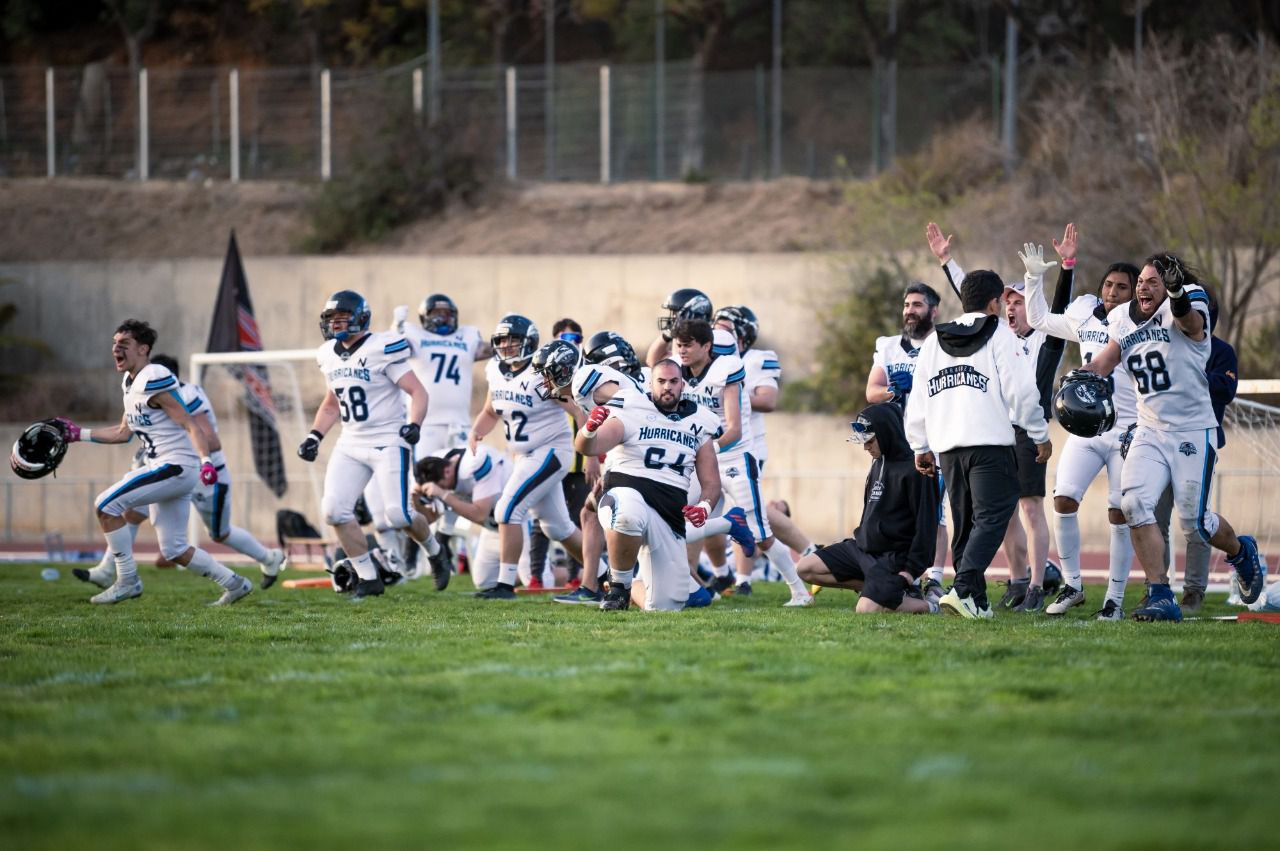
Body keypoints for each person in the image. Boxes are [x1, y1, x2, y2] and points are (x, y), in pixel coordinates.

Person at [1081, 253, 1265, 621]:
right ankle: (1160, 593)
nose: (1143, 286)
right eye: (1141, 281)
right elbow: (1106, 359)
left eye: (1153, 280)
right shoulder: (1122, 318)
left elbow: (1191, 323)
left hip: (1193, 429)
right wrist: (1083, 376)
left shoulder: (1188, 300)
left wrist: (1178, 292)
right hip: (1149, 427)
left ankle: (1242, 552)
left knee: (1194, 523)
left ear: (1169, 285)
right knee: (1132, 504)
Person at [534, 336, 753, 606]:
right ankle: (611, 585)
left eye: (547, 375)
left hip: (654, 465)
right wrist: (595, 438)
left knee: (621, 521)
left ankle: (609, 584)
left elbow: (628, 410)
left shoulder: (593, 383)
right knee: (614, 512)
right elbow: (609, 428)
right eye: (662, 382)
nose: (544, 382)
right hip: (631, 464)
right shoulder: (637, 387)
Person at [55, 319, 253, 605]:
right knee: (174, 549)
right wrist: (78, 434)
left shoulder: (155, 375)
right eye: (114, 344)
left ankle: (127, 580)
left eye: (123, 344)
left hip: (175, 466)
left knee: (105, 505)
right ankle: (235, 583)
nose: (115, 349)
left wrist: (206, 460)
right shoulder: (129, 382)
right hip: (166, 467)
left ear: (143, 349)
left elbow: (190, 424)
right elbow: (123, 434)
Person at [926, 222, 1069, 613]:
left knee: (1025, 508)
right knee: (993, 515)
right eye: (1005, 301)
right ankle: (1001, 582)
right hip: (997, 432)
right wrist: (947, 263)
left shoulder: (1040, 336)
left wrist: (1062, 269)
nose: (1009, 306)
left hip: (1014, 431)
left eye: (1018, 300)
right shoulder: (994, 334)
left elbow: (1043, 309)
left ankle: (1035, 583)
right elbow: (974, 302)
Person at [905, 269, 1052, 619]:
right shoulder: (1000, 333)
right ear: (994, 302)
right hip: (989, 444)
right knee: (996, 514)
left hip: (948, 449)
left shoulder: (934, 340)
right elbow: (1022, 391)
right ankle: (964, 588)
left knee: (966, 522)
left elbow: (919, 398)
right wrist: (1039, 435)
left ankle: (978, 601)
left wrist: (919, 445)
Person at [72, 354, 287, 591]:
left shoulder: (187, 395)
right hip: (171, 469)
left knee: (219, 533)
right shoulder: (142, 393)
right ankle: (107, 570)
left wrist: (187, 455)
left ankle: (268, 558)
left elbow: (211, 441)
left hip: (205, 476)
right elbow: (131, 432)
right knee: (134, 513)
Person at [1024, 247, 1141, 620]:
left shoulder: (1145, 324)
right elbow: (1038, 318)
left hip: (1129, 429)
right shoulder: (1086, 317)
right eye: (1109, 284)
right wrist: (1033, 277)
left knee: (1119, 513)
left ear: (1136, 291)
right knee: (1063, 499)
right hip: (1089, 430)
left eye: (1122, 287)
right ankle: (1073, 585)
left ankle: (1115, 600)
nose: (1112, 292)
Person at [297, 290, 436, 600]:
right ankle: (368, 577)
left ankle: (434, 550)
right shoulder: (328, 354)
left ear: (360, 317)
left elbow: (418, 392)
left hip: (388, 439)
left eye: (342, 317)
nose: (335, 324)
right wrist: (314, 436)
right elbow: (332, 403)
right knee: (333, 510)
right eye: (331, 319)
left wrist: (414, 425)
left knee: (397, 516)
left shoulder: (381, 346)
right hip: (351, 441)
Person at [671, 318, 812, 606]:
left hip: (733, 456)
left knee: (760, 532)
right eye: (678, 345)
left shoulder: (726, 369)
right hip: (699, 457)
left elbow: (733, 430)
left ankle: (799, 590)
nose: (682, 351)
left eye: (687, 345)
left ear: (707, 346)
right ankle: (692, 585)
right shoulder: (675, 370)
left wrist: (704, 450)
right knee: (676, 518)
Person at [574, 358, 724, 611]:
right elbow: (590, 446)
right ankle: (618, 587)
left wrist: (705, 507)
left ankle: (632, 587)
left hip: (669, 514)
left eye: (673, 381)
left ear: (683, 385)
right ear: (651, 383)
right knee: (627, 514)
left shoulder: (701, 421)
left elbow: (711, 483)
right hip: (626, 494)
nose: (667, 387)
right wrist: (589, 430)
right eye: (661, 381)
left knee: (664, 607)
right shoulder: (632, 405)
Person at [469, 314, 585, 600]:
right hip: (523, 455)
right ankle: (605, 572)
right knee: (557, 527)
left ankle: (505, 584)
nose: (507, 346)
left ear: (529, 342)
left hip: (551, 451)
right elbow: (490, 411)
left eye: (513, 340)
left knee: (507, 510)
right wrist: (476, 432)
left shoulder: (541, 371)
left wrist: (591, 455)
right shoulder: (495, 370)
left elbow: (579, 411)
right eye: (502, 340)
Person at [797, 403, 941, 613]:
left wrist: (910, 572)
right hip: (862, 550)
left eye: (870, 441)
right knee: (805, 568)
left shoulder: (917, 467)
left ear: (887, 433)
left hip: (892, 558)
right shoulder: (877, 461)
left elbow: (927, 527)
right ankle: (878, 590)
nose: (866, 447)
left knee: (865, 610)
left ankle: (932, 607)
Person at [713, 305, 817, 576]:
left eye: (724, 329)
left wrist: (727, 394)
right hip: (714, 445)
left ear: (742, 336)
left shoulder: (757, 359)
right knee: (714, 509)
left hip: (745, 445)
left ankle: (744, 577)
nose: (716, 334)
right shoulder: (706, 361)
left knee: (745, 509)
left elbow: (768, 400)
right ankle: (720, 575)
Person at [864, 281, 950, 592]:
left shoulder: (945, 344)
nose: (909, 311)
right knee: (894, 509)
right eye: (906, 305)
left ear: (933, 310)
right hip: (896, 443)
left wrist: (920, 386)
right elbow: (872, 391)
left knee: (934, 511)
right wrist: (894, 390)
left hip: (934, 437)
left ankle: (936, 577)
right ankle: (901, 573)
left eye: (917, 305)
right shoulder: (888, 345)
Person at [525, 318, 597, 589]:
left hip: (577, 462)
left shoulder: (583, 374)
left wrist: (592, 458)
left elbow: (584, 415)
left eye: (575, 339)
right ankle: (535, 575)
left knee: (578, 516)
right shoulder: (543, 373)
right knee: (541, 519)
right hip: (550, 456)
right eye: (564, 339)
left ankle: (576, 574)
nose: (571, 345)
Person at [413, 446, 509, 592]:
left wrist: (444, 495)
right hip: (494, 528)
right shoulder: (437, 471)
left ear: (447, 471)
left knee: (531, 577)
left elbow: (480, 514)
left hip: (520, 522)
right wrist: (415, 500)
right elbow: (429, 520)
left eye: (440, 487)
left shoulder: (475, 464)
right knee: (485, 582)